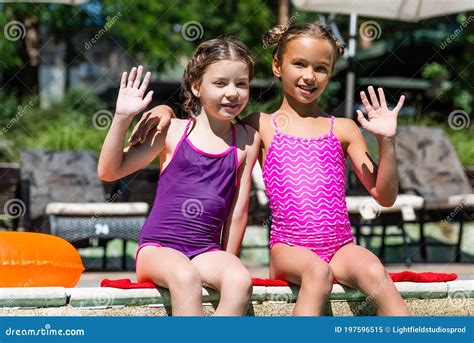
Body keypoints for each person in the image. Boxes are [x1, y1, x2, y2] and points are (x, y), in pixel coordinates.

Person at [129, 23, 411, 316]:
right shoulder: (259, 126)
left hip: (341, 245)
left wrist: (386, 141)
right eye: (299, 64)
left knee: (374, 270)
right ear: (277, 66)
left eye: (321, 68)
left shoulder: (344, 129)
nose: (309, 76)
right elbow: (206, 123)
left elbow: (384, 195)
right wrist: (165, 110)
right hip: (288, 248)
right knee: (318, 273)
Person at [98, 37, 260, 316]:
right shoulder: (172, 131)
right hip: (158, 250)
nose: (232, 92)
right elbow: (109, 170)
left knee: (239, 280)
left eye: (241, 83)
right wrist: (122, 118)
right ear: (196, 86)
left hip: (205, 251)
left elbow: (238, 211)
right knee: (185, 277)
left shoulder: (247, 138)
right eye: (220, 83)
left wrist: (226, 261)